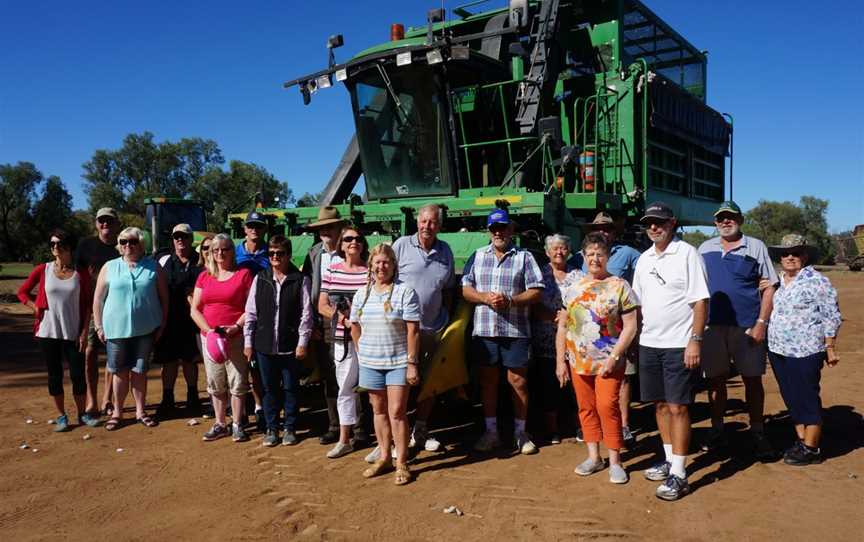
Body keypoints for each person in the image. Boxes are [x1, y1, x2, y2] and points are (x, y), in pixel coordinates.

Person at [631, 202, 709, 501]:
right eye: (649, 222)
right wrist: (634, 340)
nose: (654, 227)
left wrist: (695, 340)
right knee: (660, 406)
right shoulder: (644, 259)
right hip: (650, 343)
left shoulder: (688, 254)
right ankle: (669, 459)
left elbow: (700, 302)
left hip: (680, 344)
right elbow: (636, 304)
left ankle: (680, 472)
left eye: (659, 222)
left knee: (679, 407)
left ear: (672, 223)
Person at [556, 232, 639, 484]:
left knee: (607, 407)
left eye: (599, 254)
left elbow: (631, 325)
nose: (594, 258)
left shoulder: (620, 286)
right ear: (583, 256)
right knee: (587, 408)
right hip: (578, 361)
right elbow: (563, 326)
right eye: (590, 254)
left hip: (608, 362)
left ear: (607, 257)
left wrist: (615, 356)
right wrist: (560, 360)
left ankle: (615, 460)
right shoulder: (572, 287)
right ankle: (594, 457)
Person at [698, 201, 778, 459]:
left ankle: (757, 431)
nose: (725, 222)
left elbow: (769, 288)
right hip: (712, 326)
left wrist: (761, 324)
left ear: (740, 220)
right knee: (716, 380)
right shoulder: (704, 248)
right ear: (715, 223)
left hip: (747, 327)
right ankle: (717, 429)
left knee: (752, 379)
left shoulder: (756, 247)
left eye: (730, 217)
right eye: (721, 218)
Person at [462, 209, 544, 455]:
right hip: (485, 329)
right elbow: (465, 289)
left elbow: (536, 290)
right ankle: (491, 432)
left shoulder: (525, 257)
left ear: (511, 230)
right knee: (488, 382)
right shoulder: (476, 256)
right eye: (494, 228)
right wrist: (484, 298)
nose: (499, 232)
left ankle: (520, 432)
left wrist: (511, 301)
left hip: (515, 329)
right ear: (488, 231)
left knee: (518, 381)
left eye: (503, 227)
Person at [767, 234, 842, 466]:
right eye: (785, 253)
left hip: (806, 350)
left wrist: (829, 346)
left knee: (807, 396)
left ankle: (812, 448)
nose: (790, 257)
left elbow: (832, 315)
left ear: (805, 255)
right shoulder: (779, 282)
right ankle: (801, 440)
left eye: (796, 253)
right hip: (778, 349)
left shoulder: (817, 281)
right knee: (791, 395)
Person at [350, 244, 421, 485]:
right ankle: (384, 457)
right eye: (377, 263)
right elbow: (355, 325)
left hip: (398, 361)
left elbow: (413, 330)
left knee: (397, 412)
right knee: (378, 411)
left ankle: (401, 460)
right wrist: (363, 351)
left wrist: (412, 363)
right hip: (371, 362)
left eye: (386, 262)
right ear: (370, 266)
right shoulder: (362, 294)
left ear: (394, 266)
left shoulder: (405, 292)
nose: (381, 267)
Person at [18, 229, 100, 430]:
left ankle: (82, 415)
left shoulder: (80, 274)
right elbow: (22, 292)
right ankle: (61, 416)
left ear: (69, 247)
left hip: (72, 332)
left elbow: (89, 304)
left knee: (77, 375)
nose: (55, 247)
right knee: (54, 375)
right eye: (52, 244)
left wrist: (83, 333)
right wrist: (35, 307)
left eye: (60, 244)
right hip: (47, 332)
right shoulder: (43, 270)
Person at [391, 203, 456, 454]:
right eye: (423, 221)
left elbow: (448, 288)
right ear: (417, 222)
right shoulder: (401, 246)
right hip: (403, 331)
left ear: (439, 226)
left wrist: (447, 318)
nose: (427, 226)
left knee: (429, 383)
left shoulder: (446, 251)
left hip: (433, 329)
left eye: (432, 222)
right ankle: (400, 436)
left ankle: (421, 429)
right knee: (403, 383)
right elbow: (385, 279)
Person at [573, 212, 642, 446]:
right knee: (588, 406)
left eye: (607, 228)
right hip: (582, 354)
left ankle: (621, 436)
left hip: (615, 345)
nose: (594, 257)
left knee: (611, 400)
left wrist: (621, 349)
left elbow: (642, 285)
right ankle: (594, 451)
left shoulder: (629, 256)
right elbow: (566, 316)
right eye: (597, 228)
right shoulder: (577, 270)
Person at [92, 227, 168, 431]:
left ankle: (141, 411)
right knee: (119, 372)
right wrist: (98, 326)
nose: (128, 245)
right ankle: (117, 412)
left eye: (132, 241)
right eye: (124, 241)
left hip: (145, 330)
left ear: (141, 244)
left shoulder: (153, 267)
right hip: (115, 330)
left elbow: (164, 298)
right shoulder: (109, 267)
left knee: (139, 372)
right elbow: (98, 300)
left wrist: (162, 323)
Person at [244, 235, 313, 447]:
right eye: (272, 253)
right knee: (268, 388)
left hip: (289, 345)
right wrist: (248, 342)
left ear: (288, 255)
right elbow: (251, 313)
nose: (275, 257)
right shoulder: (261, 279)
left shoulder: (300, 280)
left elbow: (306, 314)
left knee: (291, 388)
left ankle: (290, 428)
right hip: (264, 345)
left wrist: (303, 342)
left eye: (280, 253)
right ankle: (272, 429)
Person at [191, 233, 254, 442]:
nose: (220, 253)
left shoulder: (243, 274)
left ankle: (237, 423)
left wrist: (236, 326)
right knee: (215, 381)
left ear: (232, 251)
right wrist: (209, 332)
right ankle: (220, 423)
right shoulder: (204, 276)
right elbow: (195, 309)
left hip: (235, 335)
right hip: (210, 338)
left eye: (225, 249)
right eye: (215, 249)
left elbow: (251, 308)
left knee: (237, 380)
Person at [318, 226, 370, 458]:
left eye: (358, 239)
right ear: (341, 244)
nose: (353, 242)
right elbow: (322, 305)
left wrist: (357, 321)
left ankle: (384, 440)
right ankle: (344, 438)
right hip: (342, 339)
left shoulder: (370, 271)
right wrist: (345, 320)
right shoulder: (332, 270)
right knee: (345, 389)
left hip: (371, 339)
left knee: (377, 390)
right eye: (348, 239)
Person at [302, 206, 348, 445]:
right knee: (329, 376)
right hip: (323, 322)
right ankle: (334, 425)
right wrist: (313, 324)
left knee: (351, 376)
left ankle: (358, 428)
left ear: (339, 228)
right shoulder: (314, 254)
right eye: (322, 228)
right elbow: (309, 290)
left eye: (330, 227)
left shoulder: (351, 250)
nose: (326, 231)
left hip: (349, 322)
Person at [532, 234, 581, 444]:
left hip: (572, 340)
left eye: (563, 248)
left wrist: (567, 319)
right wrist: (553, 318)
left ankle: (579, 426)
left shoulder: (578, 276)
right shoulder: (539, 274)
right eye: (555, 248)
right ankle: (552, 430)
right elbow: (532, 302)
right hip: (545, 340)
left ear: (569, 251)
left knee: (575, 388)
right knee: (548, 386)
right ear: (547, 252)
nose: (559, 252)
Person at [75, 207, 121, 419]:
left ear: (116, 224)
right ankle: (92, 399)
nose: (105, 225)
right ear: (96, 224)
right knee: (90, 352)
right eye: (101, 221)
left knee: (113, 354)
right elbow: (78, 278)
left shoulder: (122, 246)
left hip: (117, 309)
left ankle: (107, 399)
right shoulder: (86, 246)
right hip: (92, 309)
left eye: (109, 221)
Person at [155, 224, 204, 417]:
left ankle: (193, 397)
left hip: (192, 321)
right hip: (169, 320)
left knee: (190, 361)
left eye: (184, 237)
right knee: (168, 362)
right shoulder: (164, 260)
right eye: (176, 237)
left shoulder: (199, 262)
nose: (180, 240)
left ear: (191, 239)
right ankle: (168, 400)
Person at [235, 210, 270, 430]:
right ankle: (238, 408)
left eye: (258, 226)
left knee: (256, 366)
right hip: (235, 315)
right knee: (237, 366)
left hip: (261, 316)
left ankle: (259, 407)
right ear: (245, 229)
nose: (254, 230)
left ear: (264, 229)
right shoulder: (234, 252)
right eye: (251, 226)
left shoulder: (272, 253)